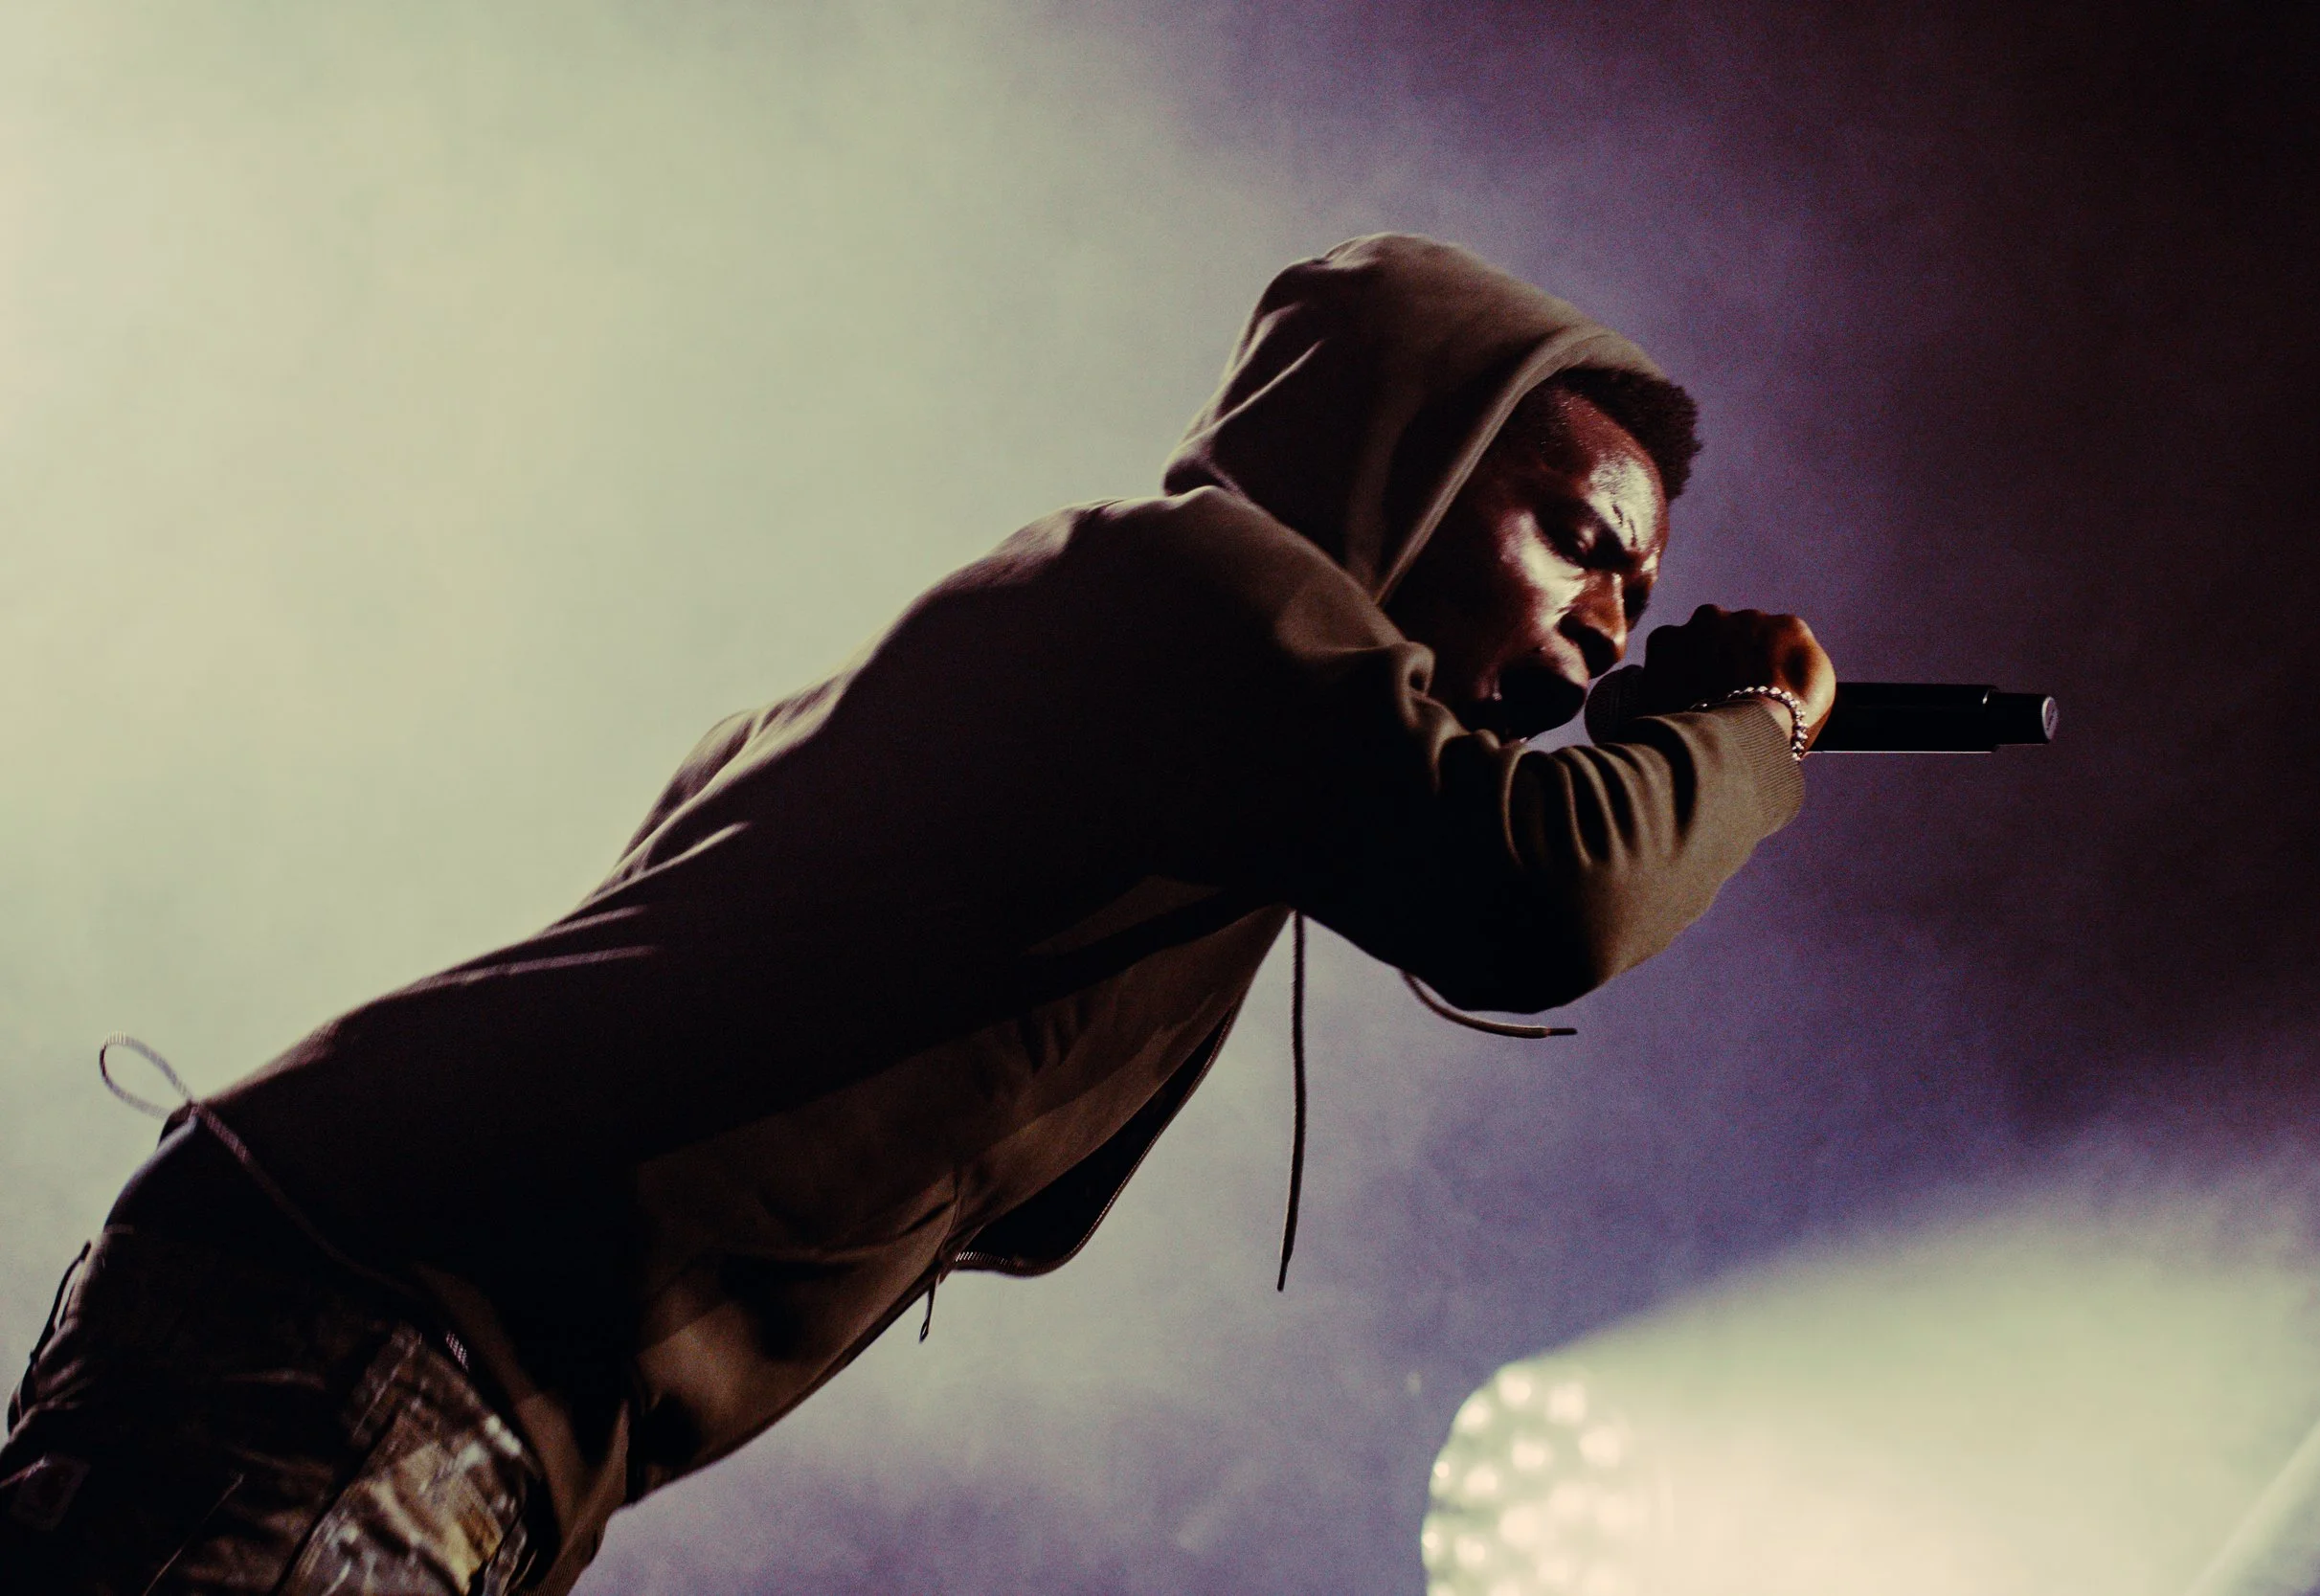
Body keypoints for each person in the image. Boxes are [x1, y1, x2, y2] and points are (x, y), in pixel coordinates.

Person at [0, 234, 1832, 1594]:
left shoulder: (1184, 731)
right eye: (1579, 540)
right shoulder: (1184, 588)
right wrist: (1752, 725)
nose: (1608, 636)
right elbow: (1546, 889)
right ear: (1408, 453)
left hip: (415, 1363)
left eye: (1636, 588)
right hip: (381, 1331)